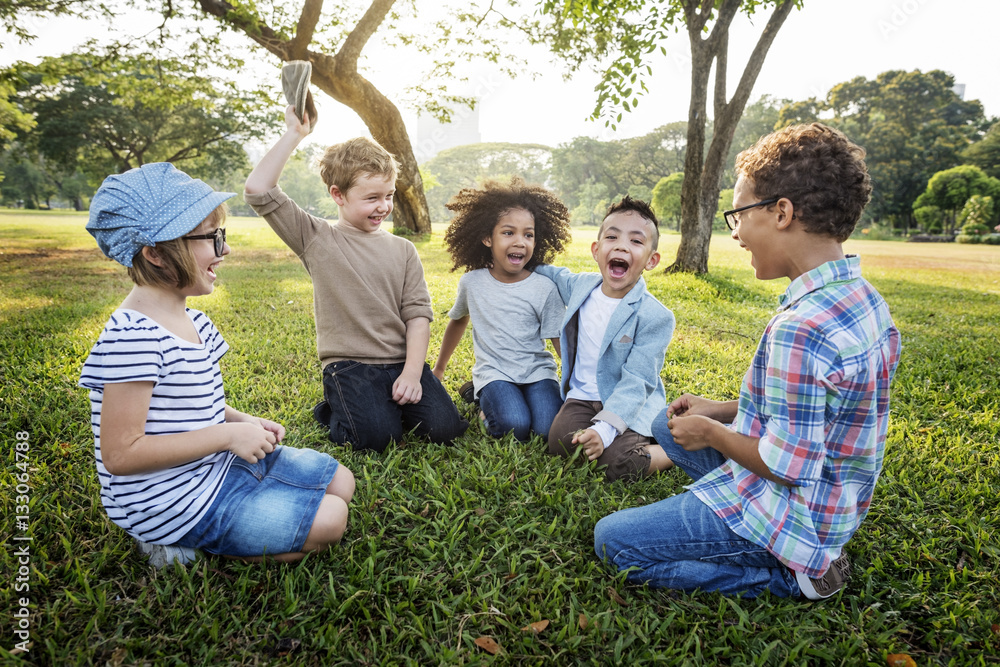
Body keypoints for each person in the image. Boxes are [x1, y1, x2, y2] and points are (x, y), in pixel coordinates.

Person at [594, 123, 902, 599]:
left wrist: (712, 433)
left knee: (614, 541)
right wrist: (719, 410)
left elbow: (789, 467)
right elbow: (817, 409)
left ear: (781, 212)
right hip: (833, 502)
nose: (735, 233)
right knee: (664, 424)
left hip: (793, 516)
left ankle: (789, 577)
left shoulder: (803, 328)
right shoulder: (861, 299)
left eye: (737, 215)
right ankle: (731, 513)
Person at [80, 163, 354, 567]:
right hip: (171, 501)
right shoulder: (134, 338)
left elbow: (189, 406)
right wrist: (226, 438)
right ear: (155, 253)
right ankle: (182, 548)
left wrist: (241, 421)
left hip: (213, 467)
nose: (225, 250)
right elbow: (122, 454)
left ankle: (238, 519)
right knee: (332, 520)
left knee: (342, 483)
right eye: (212, 238)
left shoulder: (194, 321)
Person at [244, 105, 468, 453]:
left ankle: (386, 405)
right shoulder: (316, 238)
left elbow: (418, 316)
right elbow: (258, 190)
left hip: (400, 361)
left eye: (389, 195)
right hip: (349, 367)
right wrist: (295, 134)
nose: (383, 206)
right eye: (372, 198)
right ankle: (335, 408)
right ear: (338, 195)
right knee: (376, 439)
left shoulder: (404, 249)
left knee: (445, 429)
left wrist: (411, 373)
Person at [534, 196, 675, 482]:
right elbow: (550, 272)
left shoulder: (655, 316)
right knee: (560, 444)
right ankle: (604, 438)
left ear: (651, 260)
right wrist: (517, 259)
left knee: (617, 463)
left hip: (627, 402)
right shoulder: (581, 286)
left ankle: (672, 449)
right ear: (597, 251)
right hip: (582, 399)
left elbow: (637, 380)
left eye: (636, 241)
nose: (622, 245)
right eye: (612, 237)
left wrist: (604, 429)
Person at [432, 177, 570, 442]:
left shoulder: (544, 287)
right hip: (495, 372)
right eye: (508, 233)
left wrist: (577, 382)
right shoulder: (472, 283)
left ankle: (486, 397)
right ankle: (483, 401)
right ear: (487, 237)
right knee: (514, 426)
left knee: (545, 430)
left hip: (538, 373)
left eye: (528, 234)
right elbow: (458, 321)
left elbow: (557, 337)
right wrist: (439, 369)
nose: (520, 241)